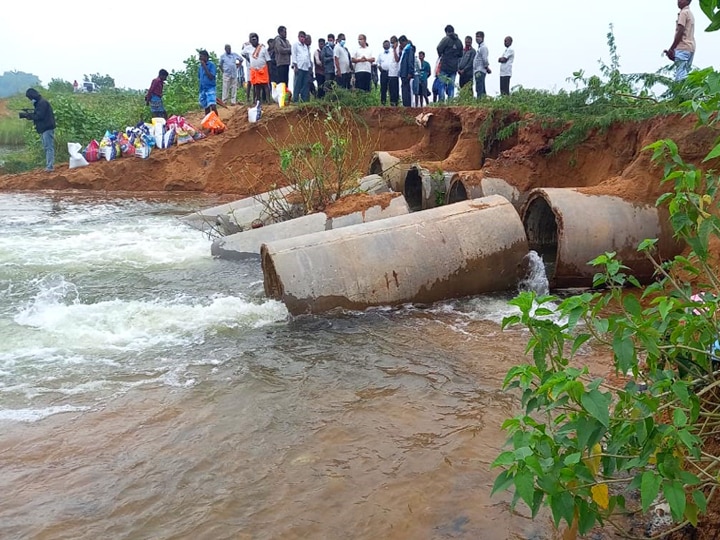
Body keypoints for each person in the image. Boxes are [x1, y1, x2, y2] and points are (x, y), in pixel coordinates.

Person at [20, 88, 56, 172]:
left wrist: (28, 116)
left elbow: (39, 116)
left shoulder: (42, 103)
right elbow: (38, 114)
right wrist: (30, 114)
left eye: (30, 98)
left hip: (47, 128)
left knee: (49, 147)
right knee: (46, 147)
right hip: (44, 128)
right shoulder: (40, 103)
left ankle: (49, 167)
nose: (30, 100)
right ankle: (49, 166)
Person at [664, 0, 695, 82]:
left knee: (680, 76)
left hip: (683, 46)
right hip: (690, 48)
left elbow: (680, 30)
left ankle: (680, 94)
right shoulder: (690, 13)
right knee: (686, 73)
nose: (678, 1)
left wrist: (672, 48)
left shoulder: (683, 13)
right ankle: (686, 93)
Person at [436, 24, 463, 100]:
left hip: (445, 66)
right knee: (451, 86)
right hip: (454, 67)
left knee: (441, 85)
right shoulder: (459, 42)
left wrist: (441, 55)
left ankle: (441, 103)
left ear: (447, 32)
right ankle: (450, 102)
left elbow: (438, 48)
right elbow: (461, 54)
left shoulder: (446, 39)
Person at [243, 34, 272, 104]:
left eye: (255, 39)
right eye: (252, 39)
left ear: (257, 40)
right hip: (254, 70)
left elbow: (268, 60)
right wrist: (248, 59)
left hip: (263, 69)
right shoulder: (248, 48)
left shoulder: (263, 48)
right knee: (256, 86)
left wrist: (269, 70)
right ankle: (258, 100)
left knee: (265, 85)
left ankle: (268, 100)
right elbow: (242, 53)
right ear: (250, 41)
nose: (254, 40)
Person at [291, 31, 312, 102]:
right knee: (297, 85)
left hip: (306, 68)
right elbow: (294, 55)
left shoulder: (306, 47)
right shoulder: (296, 45)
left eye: (304, 37)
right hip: (299, 68)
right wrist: (295, 66)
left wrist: (309, 68)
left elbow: (307, 58)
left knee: (305, 85)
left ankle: (304, 101)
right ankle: (295, 100)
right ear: (299, 37)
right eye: (301, 37)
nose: (302, 38)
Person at [197, 50, 217, 114]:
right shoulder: (200, 67)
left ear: (206, 57)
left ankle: (217, 121)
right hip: (203, 89)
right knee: (206, 107)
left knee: (213, 106)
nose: (200, 58)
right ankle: (208, 122)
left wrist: (205, 67)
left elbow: (211, 77)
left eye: (201, 56)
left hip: (210, 88)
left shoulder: (211, 65)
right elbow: (200, 77)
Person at [473, 31, 491, 98]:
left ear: (482, 38)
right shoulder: (480, 48)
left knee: (479, 87)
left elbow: (485, 59)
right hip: (477, 70)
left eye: (478, 36)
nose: (477, 38)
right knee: (481, 86)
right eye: (476, 36)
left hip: (480, 70)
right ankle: (483, 100)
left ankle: (480, 101)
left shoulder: (483, 48)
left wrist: (487, 68)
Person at [398, 35, 415, 107]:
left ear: (404, 42)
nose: (400, 45)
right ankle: (406, 104)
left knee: (405, 89)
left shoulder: (409, 49)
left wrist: (410, 72)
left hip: (406, 73)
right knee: (405, 88)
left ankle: (407, 105)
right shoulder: (404, 50)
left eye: (401, 43)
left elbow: (410, 61)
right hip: (403, 72)